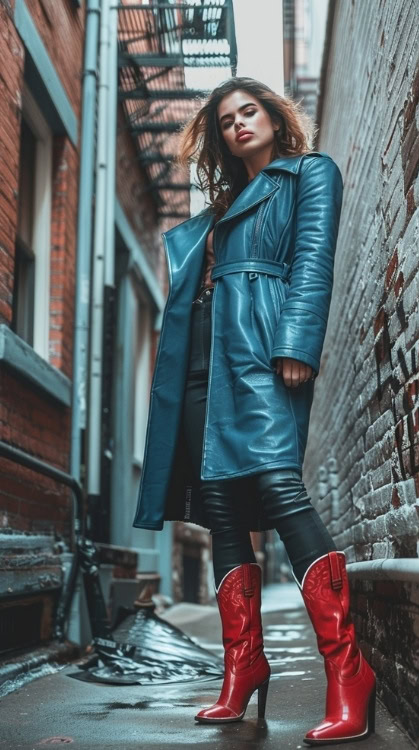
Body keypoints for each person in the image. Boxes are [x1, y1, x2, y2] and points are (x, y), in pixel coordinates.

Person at [132, 77, 375, 745]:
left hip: (263, 350)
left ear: (272, 116)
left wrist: (298, 341)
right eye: (227, 119)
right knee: (220, 507)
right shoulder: (223, 205)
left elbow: (312, 261)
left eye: (250, 110)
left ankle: (349, 672)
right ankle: (242, 669)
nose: (240, 123)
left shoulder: (309, 174)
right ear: (218, 136)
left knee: (278, 484)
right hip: (201, 365)